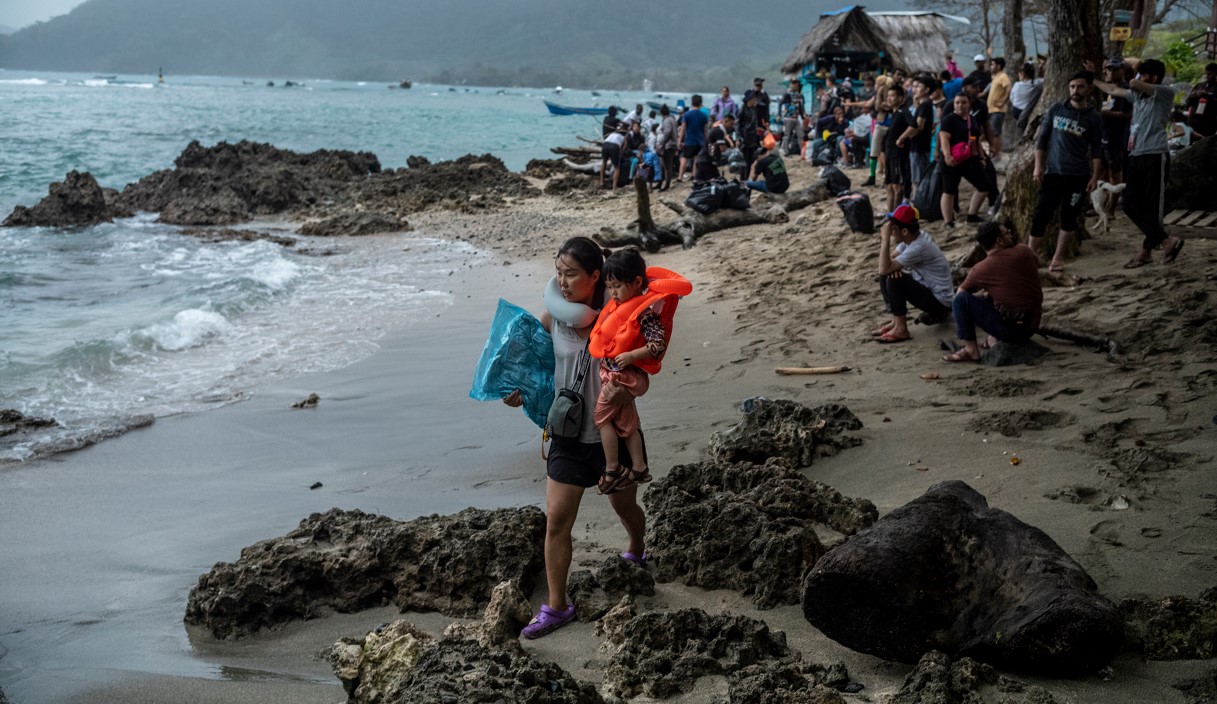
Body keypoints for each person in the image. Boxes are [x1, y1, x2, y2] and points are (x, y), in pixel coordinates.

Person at [505, 237, 647, 639]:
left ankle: (637, 546)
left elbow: (642, 377)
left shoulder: (623, 318)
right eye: (559, 273)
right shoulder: (554, 319)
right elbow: (534, 370)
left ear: (595, 277)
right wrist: (519, 393)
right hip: (568, 437)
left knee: (625, 508)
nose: (562, 283)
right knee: (557, 522)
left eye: (572, 274)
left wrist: (629, 390)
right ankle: (556, 605)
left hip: (612, 435)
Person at [588, 249, 667, 494]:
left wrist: (632, 355)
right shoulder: (618, 307)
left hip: (624, 375)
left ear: (636, 283)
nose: (612, 293)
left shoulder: (644, 314)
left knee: (601, 418)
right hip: (616, 373)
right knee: (627, 423)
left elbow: (657, 345)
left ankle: (613, 467)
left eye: (618, 286)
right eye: (609, 287)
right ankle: (640, 467)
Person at [1094, 58, 1185, 268]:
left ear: (1152, 78)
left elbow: (1132, 84)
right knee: (1130, 204)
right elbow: (1112, 89)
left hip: (1155, 155)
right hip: (1135, 155)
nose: (1137, 79)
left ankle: (1145, 252)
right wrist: (1093, 79)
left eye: (1142, 75)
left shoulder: (1163, 93)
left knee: (1153, 207)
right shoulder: (1138, 97)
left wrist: (1132, 68)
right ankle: (1166, 241)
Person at [1029, 71, 1103, 273]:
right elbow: (1042, 140)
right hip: (1053, 172)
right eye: (1072, 86)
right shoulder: (1056, 109)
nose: (1075, 91)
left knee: (1069, 217)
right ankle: (1030, 256)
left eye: (1080, 87)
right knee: (1040, 215)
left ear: (1089, 88)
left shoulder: (1094, 117)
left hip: (1078, 176)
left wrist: (1095, 176)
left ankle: (1057, 258)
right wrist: (1038, 166)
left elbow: (1097, 149)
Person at [943, 222, 1043, 362]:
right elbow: (1036, 263)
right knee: (992, 296)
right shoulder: (1024, 250)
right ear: (999, 241)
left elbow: (961, 294)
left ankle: (971, 349)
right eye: (1007, 233)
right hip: (1032, 324)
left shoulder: (982, 268)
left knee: (960, 301)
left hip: (1012, 330)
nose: (1010, 234)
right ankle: (993, 337)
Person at [873, 204, 954, 343]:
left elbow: (884, 267)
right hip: (930, 292)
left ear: (904, 231)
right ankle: (895, 321)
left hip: (940, 302)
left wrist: (885, 240)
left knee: (893, 278)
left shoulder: (919, 246)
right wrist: (893, 268)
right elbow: (888, 262)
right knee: (888, 274)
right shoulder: (912, 238)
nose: (892, 232)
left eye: (894, 229)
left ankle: (901, 329)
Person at [938, 93, 991, 228]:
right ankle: (948, 221)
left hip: (970, 160)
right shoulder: (949, 119)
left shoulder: (972, 119)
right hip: (952, 160)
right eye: (957, 103)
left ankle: (972, 215)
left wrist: (981, 157)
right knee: (949, 190)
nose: (960, 105)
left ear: (969, 104)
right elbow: (944, 138)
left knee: (984, 186)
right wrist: (947, 156)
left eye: (963, 102)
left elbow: (977, 140)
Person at [1098, 59, 1132, 212]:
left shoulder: (1125, 90)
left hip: (1117, 137)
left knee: (1115, 171)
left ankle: (1111, 208)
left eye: (1115, 69)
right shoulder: (1108, 89)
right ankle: (1102, 205)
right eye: (1109, 69)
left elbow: (1127, 114)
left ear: (1122, 70)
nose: (1111, 72)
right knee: (1102, 171)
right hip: (1104, 134)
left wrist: (1105, 113)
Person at [884, 86, 914, 213]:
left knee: (897, 186)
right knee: (889, 185)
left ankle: (897, 215)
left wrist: (901, 138)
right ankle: (889, 214)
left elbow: (914, 125)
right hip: (889, 153)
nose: (889, 98)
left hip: (898, 154)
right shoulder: (895, 113)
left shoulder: (903, 111)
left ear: (900, 98)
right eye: (888, 95)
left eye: (892, 96)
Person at [907, 75, 936, 200]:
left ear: (927, 90)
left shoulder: (925, 105)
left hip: (919, 146)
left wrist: (903, 137)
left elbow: (918, 127)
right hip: (919, 145)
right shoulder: (921, 105)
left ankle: (917, 203)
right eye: (914, 86)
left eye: (919, 86)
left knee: (917, 179)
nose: (915, 89)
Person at [677, 94, 709, 181]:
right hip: (700, 141)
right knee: (696, 158)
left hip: (689, 140)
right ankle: (694, 176)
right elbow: (705, 130)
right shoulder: (703, 115)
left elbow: (683, 129)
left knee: (684, 158)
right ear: (700, 103)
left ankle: (680, 176)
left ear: (692, 103)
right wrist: (706, 141)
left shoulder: (687, 115)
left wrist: (679, 140)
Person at [985, 58, 1012, 159]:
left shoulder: (1003, 76)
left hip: (998, 110)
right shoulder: (996, 77)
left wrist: (1003, 101)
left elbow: (1009, 87)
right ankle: (994, 153)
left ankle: (996, 155)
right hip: (992, 110)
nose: (991, 67)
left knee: (996, 133)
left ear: (999, 66)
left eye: (993, 64)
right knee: (992, 132)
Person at [1185, 62, 1217, 140]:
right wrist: (1193, 97)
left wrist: (1207, 95)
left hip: (1208, 124)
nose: (1207, 76)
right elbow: (1187, 103)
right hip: (1193, 122)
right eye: (1206, 74)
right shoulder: (1199, 86)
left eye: (1210, 74)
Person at [738, 89, 764, 177]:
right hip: (745, 139)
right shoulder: (742, 109)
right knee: (744, 162)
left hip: (753, 139)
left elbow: (755, 124)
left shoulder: (753, 110)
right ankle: (743, 179)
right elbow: (737, 125)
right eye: (754, 98)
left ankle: (746, 180)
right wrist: (738, 138)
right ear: (749, 99)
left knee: (750, 161)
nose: (755, 100)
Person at [780, 79, 807, 157]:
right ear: (790, 85)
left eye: (797, 84)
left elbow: (801, 107)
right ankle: (785, 151)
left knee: (801, 135)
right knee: (787, 135)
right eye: (793, 84)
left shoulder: (800, 95)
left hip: (796, 118)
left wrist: (802, 116)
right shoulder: (787, 94)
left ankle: (802, 151)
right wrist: (779, 114)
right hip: (788, 118)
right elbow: (780, 103)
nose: (795, 86)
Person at [655, 105, 678, 191]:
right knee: (663, 165)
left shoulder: (667, 120)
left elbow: (667, 132)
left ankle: (666, 185)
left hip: (668, 145)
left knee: (667, 166)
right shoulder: (672, 119)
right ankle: (661, 183)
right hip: (672, 145)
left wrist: (661, 143)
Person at [601, 124, 626, 194]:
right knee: (616, 167)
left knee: (604, 162)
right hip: (614, 146)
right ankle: (614, 188)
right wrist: (620, 154)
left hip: (605, 145)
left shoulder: (611, 134)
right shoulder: (623, 137)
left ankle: (601, 182)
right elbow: (623, 149)